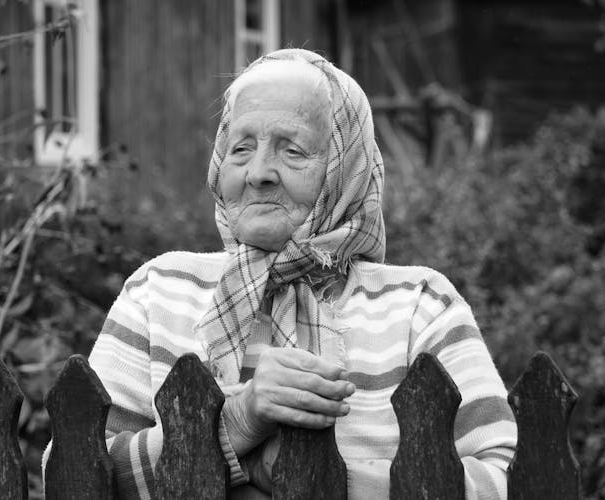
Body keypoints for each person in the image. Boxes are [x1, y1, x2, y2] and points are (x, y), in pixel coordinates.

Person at [47, 48, 517, 499]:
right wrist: (234, 424)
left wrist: (324, 481)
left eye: (292, 151)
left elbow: (510, 478)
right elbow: (72, 472)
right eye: (240, 148)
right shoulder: (158, 293)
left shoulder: (421, 305)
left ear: (344, 169)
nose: (258, 173)